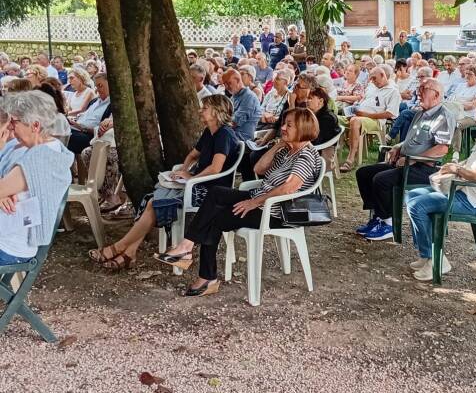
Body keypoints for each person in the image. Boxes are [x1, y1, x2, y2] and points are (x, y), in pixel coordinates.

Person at [155, 108, 323, 296]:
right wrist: (277, 145)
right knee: (217, 193)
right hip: (260, 198)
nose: (283, 127)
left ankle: (205, 274)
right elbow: (259, 169)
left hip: (276, 211)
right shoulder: (288, 150)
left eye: (289, 125)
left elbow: (289, 188)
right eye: (283, 123)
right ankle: (187, 248)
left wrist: (254, 202)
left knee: (215, 217)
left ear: (303, 127)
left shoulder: (306, 155)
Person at [90, 95, 241, 270]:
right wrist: (182, 170)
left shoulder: (224, 134)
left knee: (154, 203)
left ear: (217, 111)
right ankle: (128, 252)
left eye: (205, 108)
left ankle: (121, 248)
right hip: (197, 184)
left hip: (210, 191)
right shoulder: (210, 131)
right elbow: (193, 155)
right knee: (153, 202)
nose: (200, 110)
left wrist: (190, 178)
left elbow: (216, 168)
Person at [404, 96, 476, 280]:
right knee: (411, 195)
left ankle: (437, 260)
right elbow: (474, 163)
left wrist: (458, 170)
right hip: (463, 190)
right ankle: (428, 255)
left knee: (418, 205)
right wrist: (453, 168)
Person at [355, 79, 454, 242]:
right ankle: (378, 218)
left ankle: (388, 223)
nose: (418, 92)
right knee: (364, 173)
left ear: (436, 94)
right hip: (407, 162)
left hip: (424, 168)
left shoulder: (442, 116)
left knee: (381, 180)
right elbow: (412, 140)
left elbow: (441, 149)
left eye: (423, 89)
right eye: (418, 88)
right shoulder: (421, 113)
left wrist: (412, 159)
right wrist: (398, 147)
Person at [0, 92, 75, 266]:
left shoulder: (42, 158)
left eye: (14, 121)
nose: (9, 127)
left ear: (35, 125)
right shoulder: (18, 145)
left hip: (9, 245)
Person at [339, 66, 401, 172]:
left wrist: (366, 115)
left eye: (374, 78)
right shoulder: (371, 86)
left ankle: (350, 159)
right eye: (371, 78)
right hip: (359, 115)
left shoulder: (393, 92)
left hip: (374, 120)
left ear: (383, 75)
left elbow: (390, 114)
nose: (372, 80)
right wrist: (353, 109)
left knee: (355, 121)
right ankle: (330, 156)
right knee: (334, 118)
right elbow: (362, 101)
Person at [67, 73, 111, 156]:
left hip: (90, 136)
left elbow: (101, 130)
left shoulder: (111, 106)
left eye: (100, 86)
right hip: (77, 128)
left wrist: (82, 127)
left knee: (63, 135)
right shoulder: (94, 101)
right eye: (96, 86)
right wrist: (74, 121)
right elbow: (83, 116)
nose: (97, 90)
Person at [450, 65, 476, 150]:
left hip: (471, 116)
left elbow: (473, 106)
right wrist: (466, 103)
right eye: (466, 73)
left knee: (456, 125)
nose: (467, 76)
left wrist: (458, 102)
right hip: (456, 113)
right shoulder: (460, 86)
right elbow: (451, 101)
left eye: (470, 74)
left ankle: (456, 152)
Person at [222, 68, 261, 142]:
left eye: (229, 83)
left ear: (237, 80)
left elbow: (234, 122)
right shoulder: (234, 96)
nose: (226, 87)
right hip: (230, 134)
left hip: (241, 139)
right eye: (224, 84)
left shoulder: (249, 97)